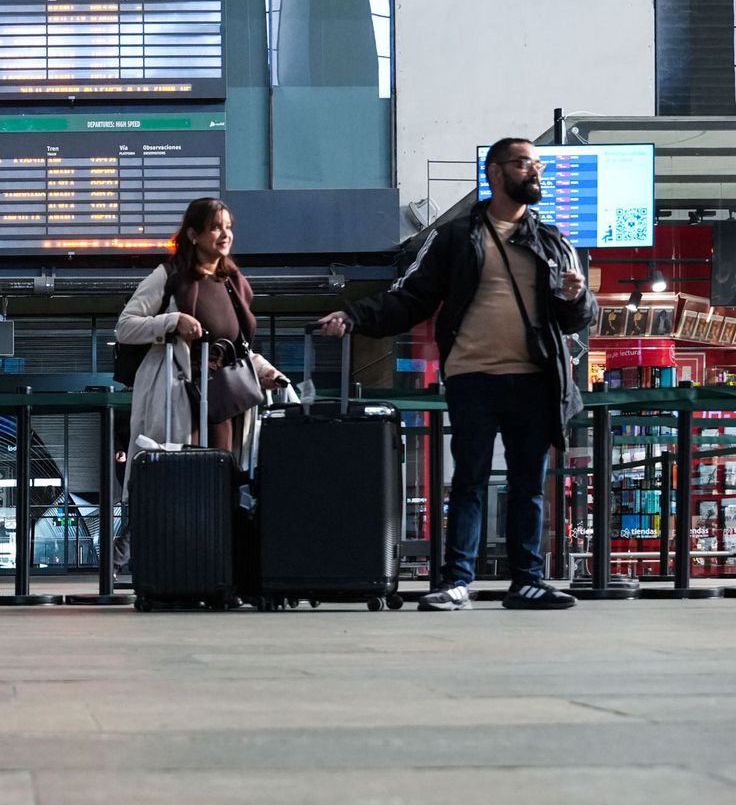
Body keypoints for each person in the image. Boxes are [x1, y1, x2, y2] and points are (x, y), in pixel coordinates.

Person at [315, 137, 596, 610]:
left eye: (538, 165)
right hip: (473, 377)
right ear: (494, 172)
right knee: (469, 479)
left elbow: (576, 319)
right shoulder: (456, 237)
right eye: (524, 163)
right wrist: (357, 317)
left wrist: (574, 297)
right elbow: (411, 295)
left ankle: (527, 580)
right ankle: (457, 579)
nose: (535, 172)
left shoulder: (554, 243)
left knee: (529, 484)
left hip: (536, 379)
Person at [111, 197, 285, 571]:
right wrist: (171, 322)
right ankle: (175, 567)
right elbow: (125, 326)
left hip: (224, 402)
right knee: (178, 481)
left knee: (222, 484)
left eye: (228, 227)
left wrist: (267, 371)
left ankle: (215, 568)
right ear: (193, 234)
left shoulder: (234, 283)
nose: (225, 235)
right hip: (181, 397)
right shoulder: (169, 275)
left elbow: (239, 349)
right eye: (215, 227)